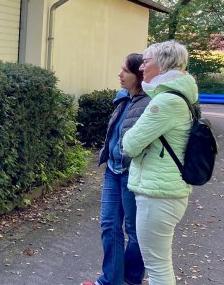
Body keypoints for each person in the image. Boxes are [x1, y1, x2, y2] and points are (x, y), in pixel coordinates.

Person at [122, 41, 197, 285]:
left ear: (163, 64)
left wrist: (137, 141)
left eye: (146, 61)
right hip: (166, 191)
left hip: (158, 195)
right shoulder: (178, 97)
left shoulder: (165, 101)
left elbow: (130, 144)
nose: (141, 67)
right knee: (159, 263)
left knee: (156, 266)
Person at [81, 54, 149, 285]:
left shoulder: (149, 104)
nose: (119, 74)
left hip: (133, 174)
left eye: (125, 71)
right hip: (112, 170)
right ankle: (111, 280)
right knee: (109, 225)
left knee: (135, 232)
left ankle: (130, 279)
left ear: (139, 76)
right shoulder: (122, 97)